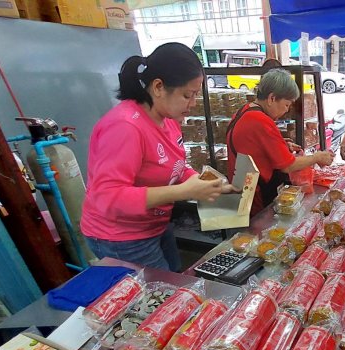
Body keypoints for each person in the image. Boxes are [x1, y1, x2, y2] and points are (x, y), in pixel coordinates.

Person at [82, 43, 234, 272]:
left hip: (155, 225)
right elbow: (107, 197)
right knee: (160, 297)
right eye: (187, 95)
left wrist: (206, 182)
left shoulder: (169, 118)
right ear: (158, 87)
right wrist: (185, 192)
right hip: (122, 237)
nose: (193, 104)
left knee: (174, 277)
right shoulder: (125, 127)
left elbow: (177, 167)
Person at [227, 68, 334, 215]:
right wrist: (317, 157)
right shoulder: (260, 120)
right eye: (286, 105)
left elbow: (250, 145)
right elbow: (288, 165)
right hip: (256, 198)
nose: (286, 110)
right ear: (272, 98)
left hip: (240, 191)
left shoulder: (244, 110)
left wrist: (282, 144)